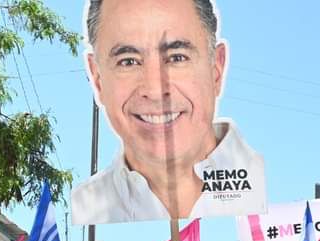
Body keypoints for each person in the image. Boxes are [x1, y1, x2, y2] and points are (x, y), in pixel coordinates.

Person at [72, 0, 265, 224]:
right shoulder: (85, 207)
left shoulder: (272, 187)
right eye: (128, 62)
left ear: (216, 70)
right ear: (97, 78)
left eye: (177, 58)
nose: (155, 90)